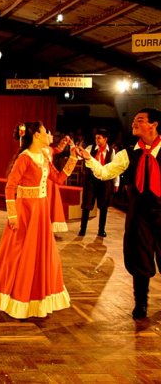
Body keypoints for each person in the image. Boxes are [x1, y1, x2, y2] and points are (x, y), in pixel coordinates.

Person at [0, 122, 78, 319]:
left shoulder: (44, 156)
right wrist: (12, 214)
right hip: (25, 211)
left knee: (42, 254)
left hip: (41, 210)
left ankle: (37, 297)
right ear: (36, 136)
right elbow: (10, 187)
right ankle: (17, 296)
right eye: (44, 132)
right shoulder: (24, 158)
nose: (48, 135)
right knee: (20, 253)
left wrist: (73, 158)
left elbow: (58, 179)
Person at [76, 108, 160, 320]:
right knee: (140, 260)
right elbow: (104, 172)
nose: (134, 123)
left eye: (140, 120)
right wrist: (89, 158)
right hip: (139, 216)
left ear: (154, 124)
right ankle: (141, 303)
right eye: (133, 120)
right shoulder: (127, 154)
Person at [78, 129, 118, 238]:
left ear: (105, 139)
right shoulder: (90, 148)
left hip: (105, 182)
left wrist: (116, 183)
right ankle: (82, 229)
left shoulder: (111, 151)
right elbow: (80, 156)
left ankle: (101, 230)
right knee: (86, 206)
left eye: (99, 138)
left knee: (104, 207)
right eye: (96, 138)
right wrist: (77, 151)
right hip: (91, 181)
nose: (97, 140)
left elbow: (114, 167)